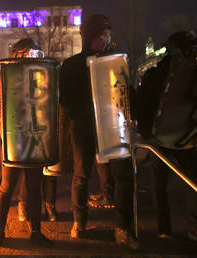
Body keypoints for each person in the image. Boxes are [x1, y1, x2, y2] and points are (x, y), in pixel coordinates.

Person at [59, 14, 138, 249]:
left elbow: (126, 92)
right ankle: (79, 222)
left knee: (122, 175)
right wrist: (78, 117)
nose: (106, 38)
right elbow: (65, 98)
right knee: (81, 173)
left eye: (107, 34)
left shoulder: (114, 62)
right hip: (84, 126)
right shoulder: (72, 64)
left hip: (112, 126)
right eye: (102, 34)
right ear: (90, 37)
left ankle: (123, 228)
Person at [137, 31, 197, 247]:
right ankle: (165, 227)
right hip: (159, 137)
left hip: (182, 134)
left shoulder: (194, 72)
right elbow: (144, 106)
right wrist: (147, 134)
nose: (194, 51)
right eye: (190, 47)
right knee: (161, 183)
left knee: (192, 181)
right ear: (179, 49)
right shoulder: (156, 74)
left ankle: (195, 226)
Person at [0, 38, 51, 247]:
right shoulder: (9, 74)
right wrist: (4, 133)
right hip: (13, 138)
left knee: (34, 188)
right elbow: (2, 103)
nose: (33, 56)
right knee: (6, 186)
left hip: (34, 138)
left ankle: (35, 232)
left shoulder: (39, 74)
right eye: (29, 52)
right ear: (19, 54)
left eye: (35, 52)